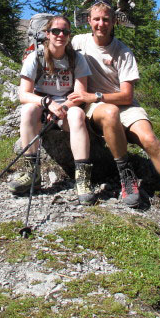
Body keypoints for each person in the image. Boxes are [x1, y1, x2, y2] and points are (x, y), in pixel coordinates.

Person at [69, 1, 160, 224]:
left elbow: (127, 96)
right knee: (109, 113)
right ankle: (126, 174)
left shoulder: (123, 52)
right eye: (97, 19)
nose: (101, 24)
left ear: (114, 22)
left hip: (121, 103)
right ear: (89, 21)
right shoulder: (78, 41)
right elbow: (59, 55)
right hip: (98, 107)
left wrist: (95, 96)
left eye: (106, 20)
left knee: (149, 139)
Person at [10, 15, 96, 205]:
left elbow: (80, 94)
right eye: (56, 31)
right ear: (47, 34)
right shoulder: (36, 57)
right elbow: (23, 94)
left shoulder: (77, 59)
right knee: (28, 111)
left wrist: (62, 107)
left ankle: (82, 178)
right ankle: (32, 173)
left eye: (65, 31)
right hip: (43, 106)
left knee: (78, 114)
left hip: (66, 109)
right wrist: (47, 103)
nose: (61, 35)